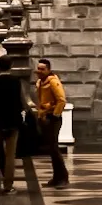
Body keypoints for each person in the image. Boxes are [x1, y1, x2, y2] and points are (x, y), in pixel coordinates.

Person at [0, 55, 23, 194]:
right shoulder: (16, 82)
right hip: (12, 122)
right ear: (11, 65)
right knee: (10, 154)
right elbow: (19, 102)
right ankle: (8, 185)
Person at [36, 58, 69, 188]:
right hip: (45, 116)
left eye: (42, 69)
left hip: (52, 118)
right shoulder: (40, 82)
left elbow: (61, 100)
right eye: (38, 68)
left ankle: (63, 177)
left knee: (54, 149)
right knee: (51, 148)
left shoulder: (53, 82)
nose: (39, 71)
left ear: (48, 70)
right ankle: (56, 177)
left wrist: (55, 114)